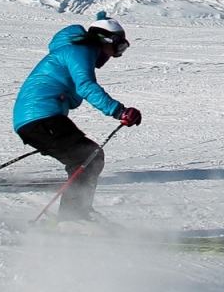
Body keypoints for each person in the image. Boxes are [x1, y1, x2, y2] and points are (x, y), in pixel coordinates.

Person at [11, 12, 141, 224]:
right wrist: (119, 111)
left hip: (39, 117)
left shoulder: (75, 50)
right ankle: (73, 218)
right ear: (105, 40)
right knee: (87, 157)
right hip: (40, 117)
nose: (115, 55)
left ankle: (78, 214)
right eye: (118, 47)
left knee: (90, 156)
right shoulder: (80, 51)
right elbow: (86, 86)